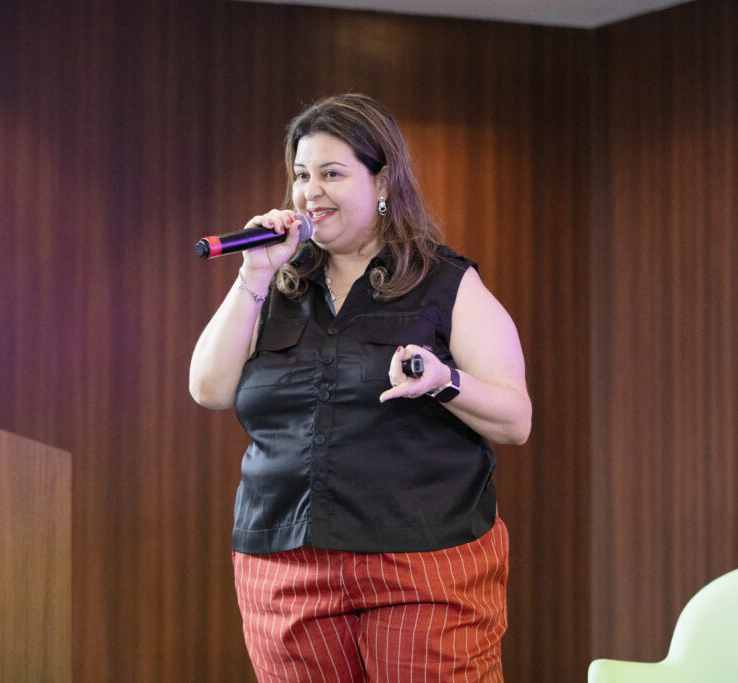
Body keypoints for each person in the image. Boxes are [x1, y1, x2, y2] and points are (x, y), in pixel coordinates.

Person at [189, 93, 531, 682]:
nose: (310, 192)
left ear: (383, 182)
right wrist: (255, 272)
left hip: (421, 564)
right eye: (301, 175)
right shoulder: (274, 284)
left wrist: (444, 381)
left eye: (331, 173)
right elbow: (209, 388)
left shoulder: (445, 283)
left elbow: (515, 419)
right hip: (286, 569)